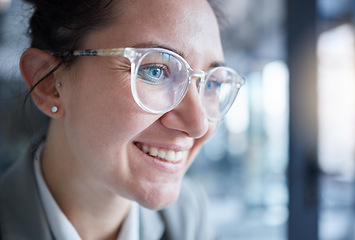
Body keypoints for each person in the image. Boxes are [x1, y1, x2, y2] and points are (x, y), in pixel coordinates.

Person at [0, 0, 245, 239]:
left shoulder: (189, 213)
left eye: (211, 83)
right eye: (155, 71)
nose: (198, 125)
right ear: (49, 83)